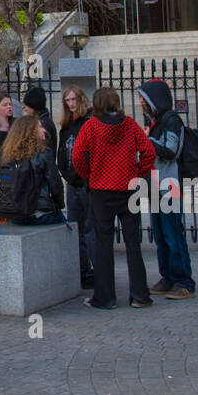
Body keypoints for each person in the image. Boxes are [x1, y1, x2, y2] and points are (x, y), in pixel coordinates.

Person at [71, 87, 156, 310]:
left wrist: (88, 174)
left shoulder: (90, 126)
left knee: (103, 244)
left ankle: (105, 297)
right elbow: (149, 151)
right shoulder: (129, 124)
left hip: (101, 189)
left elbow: (78, 155)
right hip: (128, 187)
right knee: (132, 243)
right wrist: (138, 171)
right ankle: (140, 295)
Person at [138, 80, 196, 300]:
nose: (141, 102)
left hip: (169, 185)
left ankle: (184, 282)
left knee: (173, 234)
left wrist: (146, 140)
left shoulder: (172, 121)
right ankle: (168, 277)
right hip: (154, 183)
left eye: (144, 98)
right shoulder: (155, 121)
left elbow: (171, 150)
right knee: (160, 235)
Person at [0, 113, 64, 224]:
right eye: (40, 127)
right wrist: (60, 204)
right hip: (40, 211)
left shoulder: (9, 156)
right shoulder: (43, 153)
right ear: (32, 132)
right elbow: (55, 184)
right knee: (66, 226)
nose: (44, 130)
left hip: (15, 213)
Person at [57, 86, 95, 289]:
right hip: (72, 184)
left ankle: (97, 270)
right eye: (67, 101)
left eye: (73, 99)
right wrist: (66, 174)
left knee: (90, 229)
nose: (71, 104)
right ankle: (83, 271)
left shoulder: (88, 123)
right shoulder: (66, 128)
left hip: (88, 184)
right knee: (76, 229)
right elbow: (61, 155)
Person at [22, 85, 57, 151]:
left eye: (27, 106)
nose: (25, 109)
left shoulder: (43, 124)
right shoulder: (44, 121)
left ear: (34, 106)